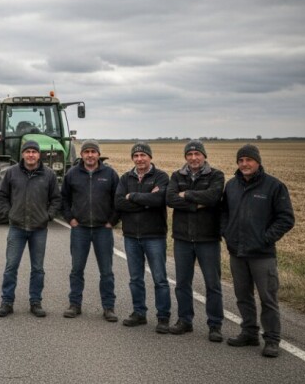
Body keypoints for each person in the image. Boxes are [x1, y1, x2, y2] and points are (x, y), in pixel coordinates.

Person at [221, 144, 295, 358]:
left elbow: (286, 219)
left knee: (268, 298)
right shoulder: (232, 185)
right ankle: (249, 332)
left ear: (257, 162)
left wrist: (265, 239)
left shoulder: (273, 186)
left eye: (248, 160)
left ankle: (272, 340)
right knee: (242, 295)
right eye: (241, 160)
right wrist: (226, 233)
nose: (244, 164)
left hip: (262, 255)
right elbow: (223, 213)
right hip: (237, 252)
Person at [166, 140, 225, 342]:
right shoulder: (177, 176)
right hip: (182, 238)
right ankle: (185, 321)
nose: (193, 158)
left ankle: (215, 325)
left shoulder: (216, 175)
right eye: (189, 154)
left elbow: (213, 197)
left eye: (197, 154)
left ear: (204, 156)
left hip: (207, 238)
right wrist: (196, 204)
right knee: (182, 283)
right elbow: (171, 199)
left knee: (213, 284)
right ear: (185, 157)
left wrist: (187, 195)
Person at [0, 140, 61, 318]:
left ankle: (35, 302)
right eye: (28, 151)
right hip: (16, 228)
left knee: (38, 268)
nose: (31, 155)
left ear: (39, 155)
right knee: (11, 266)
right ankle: (7, 302)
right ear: (22, 154)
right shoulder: (11, 173)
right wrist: (9, 213)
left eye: (34, 151)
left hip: (39, 229)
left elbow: (56, 199)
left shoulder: (49, 175)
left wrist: (48, 216)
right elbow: (2, 196)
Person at [60, 139, 120, 322]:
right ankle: (74, 304)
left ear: (98, 154)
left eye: (93, 151)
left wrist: (112, 221)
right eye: (87, 152)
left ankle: (108, 307)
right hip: (81, 230)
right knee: (77, 269)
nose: (90, 155)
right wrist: (70, 219)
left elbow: (118, 200)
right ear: (82, 155)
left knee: (106, 271)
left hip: (103, 229)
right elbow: (64, 199)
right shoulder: (72, 174)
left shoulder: (110, 174)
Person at [115, 141, 172, 333]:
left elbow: (159, 200)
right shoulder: (125, 178)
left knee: (160, 279)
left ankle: (163, 317)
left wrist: (133, 197)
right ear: (133, 158)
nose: (139, 159)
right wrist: (146, 199)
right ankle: (139, 313)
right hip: (131, 236)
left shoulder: (161, 177)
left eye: (143, 155)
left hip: (154, 235)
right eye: (136, 156)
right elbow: (119, 203)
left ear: (150, 157)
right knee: (135, 278)